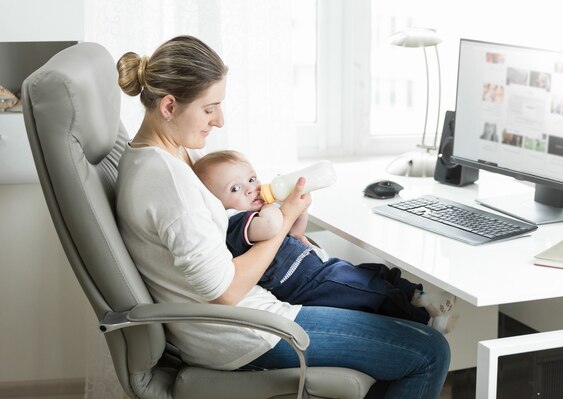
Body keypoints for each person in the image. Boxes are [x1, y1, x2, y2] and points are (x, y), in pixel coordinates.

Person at [115, 35, 450, 398]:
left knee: (387, 310)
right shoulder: (167, 180)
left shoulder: (161, 156)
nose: (219, 120)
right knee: (429, 351)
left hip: (251, 314)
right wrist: (284, 220)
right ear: (168, 106)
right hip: (244, 332)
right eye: (210, 108)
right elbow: (225, 293)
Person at [192, 150, 458, 333]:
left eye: (251, 179)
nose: (251, 188)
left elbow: (295, 231)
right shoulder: (237, 221)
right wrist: (280, 208)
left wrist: (300, 207)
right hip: (306, 285)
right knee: (374, 291)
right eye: (235, 189)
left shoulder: (259, 213)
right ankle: (428, 322)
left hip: (319, 268)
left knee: (376, 271)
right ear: (216, 202)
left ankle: (420, 296)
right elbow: (274, 225)